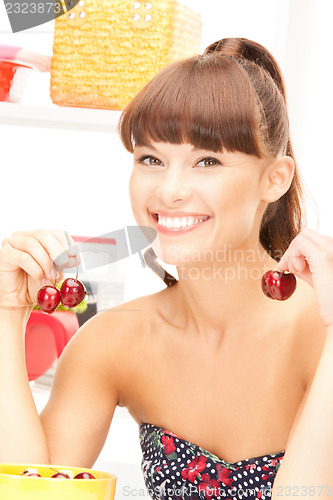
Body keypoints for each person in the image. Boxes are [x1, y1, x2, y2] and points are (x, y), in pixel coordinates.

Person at [0, 37, 332, 499]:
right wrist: (5, 312)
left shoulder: (321, 329)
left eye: (208, 161)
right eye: (151, 159)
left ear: (274, 179)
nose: (170, 190)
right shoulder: (113, 342)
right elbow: (28, 491)